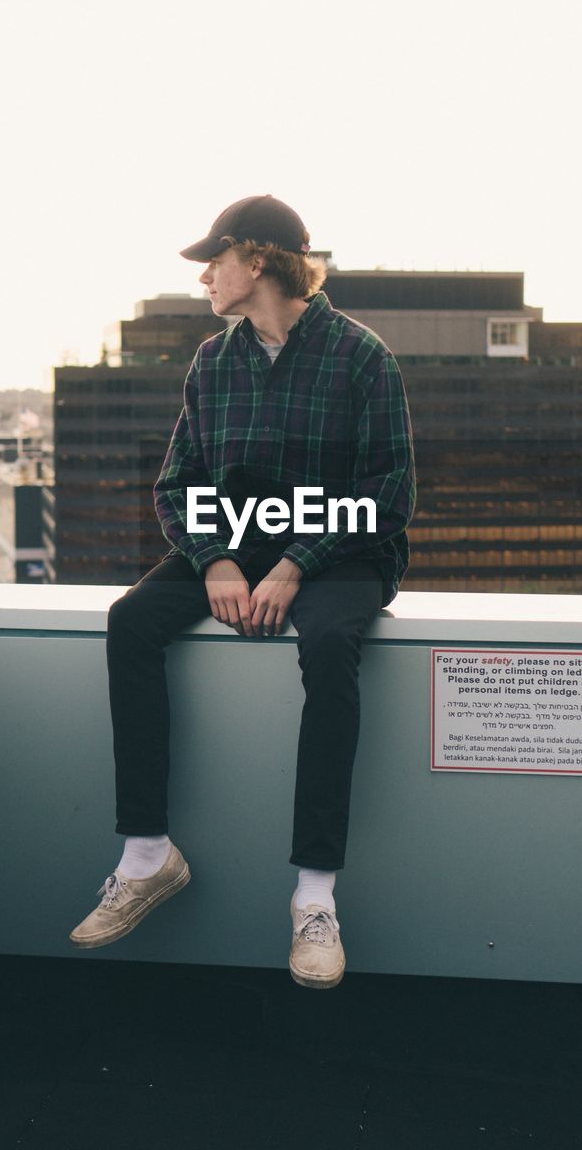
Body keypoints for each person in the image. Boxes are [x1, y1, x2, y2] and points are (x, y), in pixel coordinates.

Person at [70, 194, 415, 988]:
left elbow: (388, 493)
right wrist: (217, 558)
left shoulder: (361, 356)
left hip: (343, 551)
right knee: (131, 621)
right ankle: (147, 854)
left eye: (212, 264)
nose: (204, 282)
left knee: (328, 645)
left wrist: (296, 563)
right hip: (236, 544)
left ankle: (315, 897)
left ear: (255, 260)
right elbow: (177, 484)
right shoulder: (213, 361)